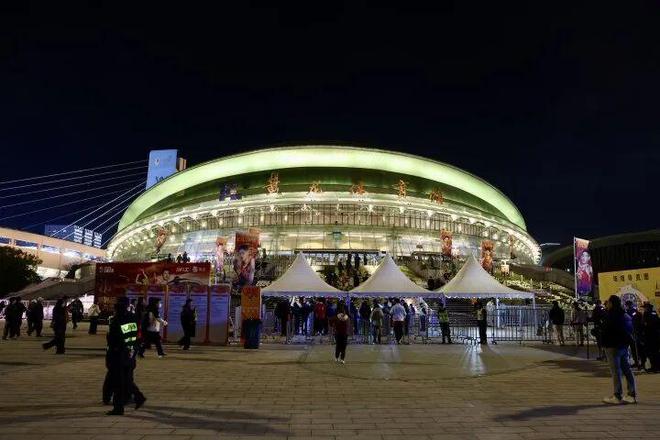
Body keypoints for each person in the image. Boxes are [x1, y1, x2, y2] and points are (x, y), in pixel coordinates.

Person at [105, 297, 146, 415]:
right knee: (126, 379)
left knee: (119, 381)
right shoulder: (133, 317)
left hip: (118, 353)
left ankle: (119, 408)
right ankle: (138, 397)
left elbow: (114, 339)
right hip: (130, 352)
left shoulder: (117, 319)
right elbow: (136, 335)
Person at [601, 295, 637, 404]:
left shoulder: (611, 315)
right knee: (627, 370)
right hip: (623, 346)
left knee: (616, 371)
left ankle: (617, 395)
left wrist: (602, 339)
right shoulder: (624, 314)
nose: (607, 304)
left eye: (608, 302)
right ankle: (631, 394)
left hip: (612, 346)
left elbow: (608, 330)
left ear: (611, 303)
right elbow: (629, 330)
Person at [641, 302, 660, 372]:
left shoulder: (646, 314)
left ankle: (654, 367)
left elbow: (644, 325)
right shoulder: (655, 313)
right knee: (656, 352)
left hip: (649, 336)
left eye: (644, 308)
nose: (644, 309)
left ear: (647, 308)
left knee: (651, 352)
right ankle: (657, 366)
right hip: (656, 335)